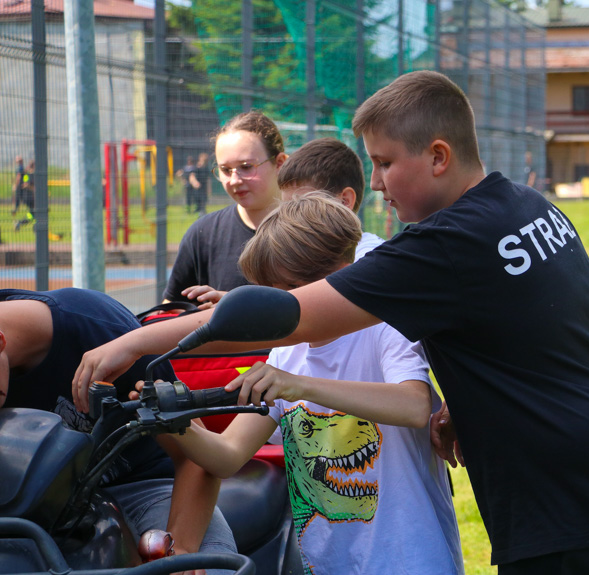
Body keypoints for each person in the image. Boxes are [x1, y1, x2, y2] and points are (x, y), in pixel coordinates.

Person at [73, 70, 589, 574]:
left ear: (438, 157)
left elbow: (290, 320)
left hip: (571, 508)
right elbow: (545, 340)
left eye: (387, 163)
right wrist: (462, 409)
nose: (379, 186)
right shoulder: (525, 207)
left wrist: (127, 341)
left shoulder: (440, 246)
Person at [159, 194, 464, 574]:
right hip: (327, 564)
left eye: (284, 292)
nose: (273, 306)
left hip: (409, 560)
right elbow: (227, 455)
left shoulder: (383, 327)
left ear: (334, 278)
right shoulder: (288, 353)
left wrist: (300, 386)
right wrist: (174, 422)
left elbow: (415, 406)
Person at [0, 288, 237, 574]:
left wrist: (181, 548)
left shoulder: (101, 330)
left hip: (147, 486)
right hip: (34, 507)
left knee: (207, 568)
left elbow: (196, 455)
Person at [187, 137, 386, 309]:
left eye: (302, 205)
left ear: (344, 201)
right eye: (286, 207)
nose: (289, 217)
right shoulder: (310, 256)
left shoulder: (370, 261)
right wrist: (234, 301)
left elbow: (305, 308)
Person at [162, 111, 287, 308]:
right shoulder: (203, 234)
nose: (235, 180)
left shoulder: (310, 231)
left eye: (246, 167)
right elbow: (171, 309)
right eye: (225, 170)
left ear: (279, 163)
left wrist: (235, 311)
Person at [14, 159, 35, 231]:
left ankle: (20, 223)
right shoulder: (32, 175)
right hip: (30, 198)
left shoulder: (27, 175)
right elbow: (26, 185)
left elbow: (24, 184)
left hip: (26, 197)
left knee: (33, 214)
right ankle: (36, 228)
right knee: (37, 213)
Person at [191, 152, 211, 217]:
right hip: (198, 187)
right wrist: (195, 182)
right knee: (198, 199)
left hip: (204, 186)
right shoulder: (197, 167)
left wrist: (209, 188)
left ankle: (202, 212)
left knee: (203, 199)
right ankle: (199, 210)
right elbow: (192, 176)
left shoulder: (206, 168)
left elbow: (208, 179)